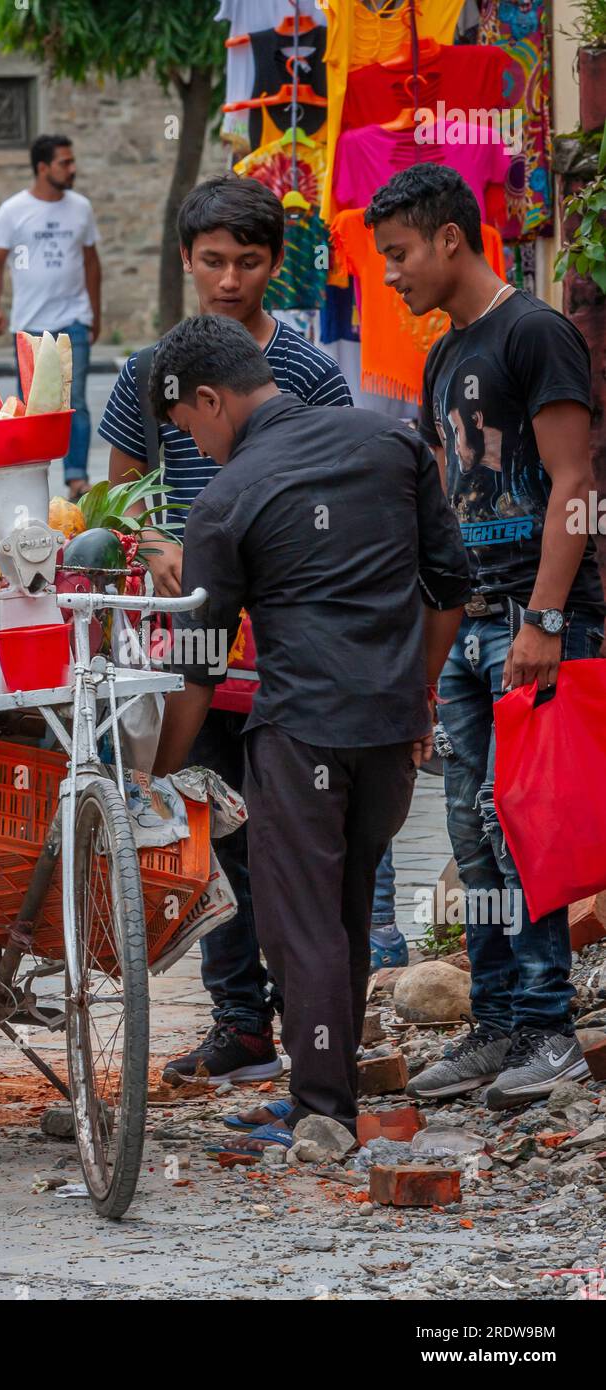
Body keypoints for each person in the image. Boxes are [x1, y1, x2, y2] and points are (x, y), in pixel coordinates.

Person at [150, 314, 470, 1144]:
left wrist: (155, 771)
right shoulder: (392, 446)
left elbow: (198, 666)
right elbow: (449, 589)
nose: (201, 451)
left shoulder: (224, 502)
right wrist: (418, 696)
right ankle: (326, 1090)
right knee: (346, 906)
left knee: (302, 924)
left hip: (302, 735)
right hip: (390, 730)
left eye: (191, 430)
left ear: (212, 399)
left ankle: (324, 1112)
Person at [98, 175, 353, 1087]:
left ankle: (317, 1028)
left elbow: (342, 492)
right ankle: (239, 1021)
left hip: (290, 635)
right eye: (213, 261)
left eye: (249, 262)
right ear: (185, 261)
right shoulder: (147, 371)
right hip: (193, 635)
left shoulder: (313, 373)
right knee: (208, 827)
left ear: (275, 267)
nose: (230, 279)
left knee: (294, 830)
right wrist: (158, 541)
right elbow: (113, 500)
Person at [364, 164, 605, 1107]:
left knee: (528, 833)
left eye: (399, 254)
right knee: (474, 831)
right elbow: (448, 514)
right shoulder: (441, 357)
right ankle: (499, 1024)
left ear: (452, 238)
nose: (389, 275)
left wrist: (545, 620)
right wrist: (431, 655)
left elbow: (577, 488)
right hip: (468, 636)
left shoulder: (535, 333)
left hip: (536, 625)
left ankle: (549, 1031)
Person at [0, 134, 101, 498]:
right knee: (34, 407)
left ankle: (77, 477)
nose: (72, 168)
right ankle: (35, 477)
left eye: (72, 161)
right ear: (42, 167)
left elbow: (92, 262)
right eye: (64, 162)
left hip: (74, 319)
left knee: (75, 401)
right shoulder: (13, 210)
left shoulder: (81, 207)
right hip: (30, 324)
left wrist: (95, 313)